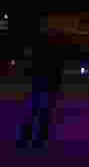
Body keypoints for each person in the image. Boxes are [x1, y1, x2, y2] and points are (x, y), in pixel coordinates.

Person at [16, 16, 66, 149]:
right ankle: (36, 140)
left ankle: (27, 139)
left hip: (41, 80)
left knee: (35, 111)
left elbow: (33, 62)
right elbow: (58, 66)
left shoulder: (39, 43)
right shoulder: (54, 45)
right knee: (42, 112)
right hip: (47, 81)